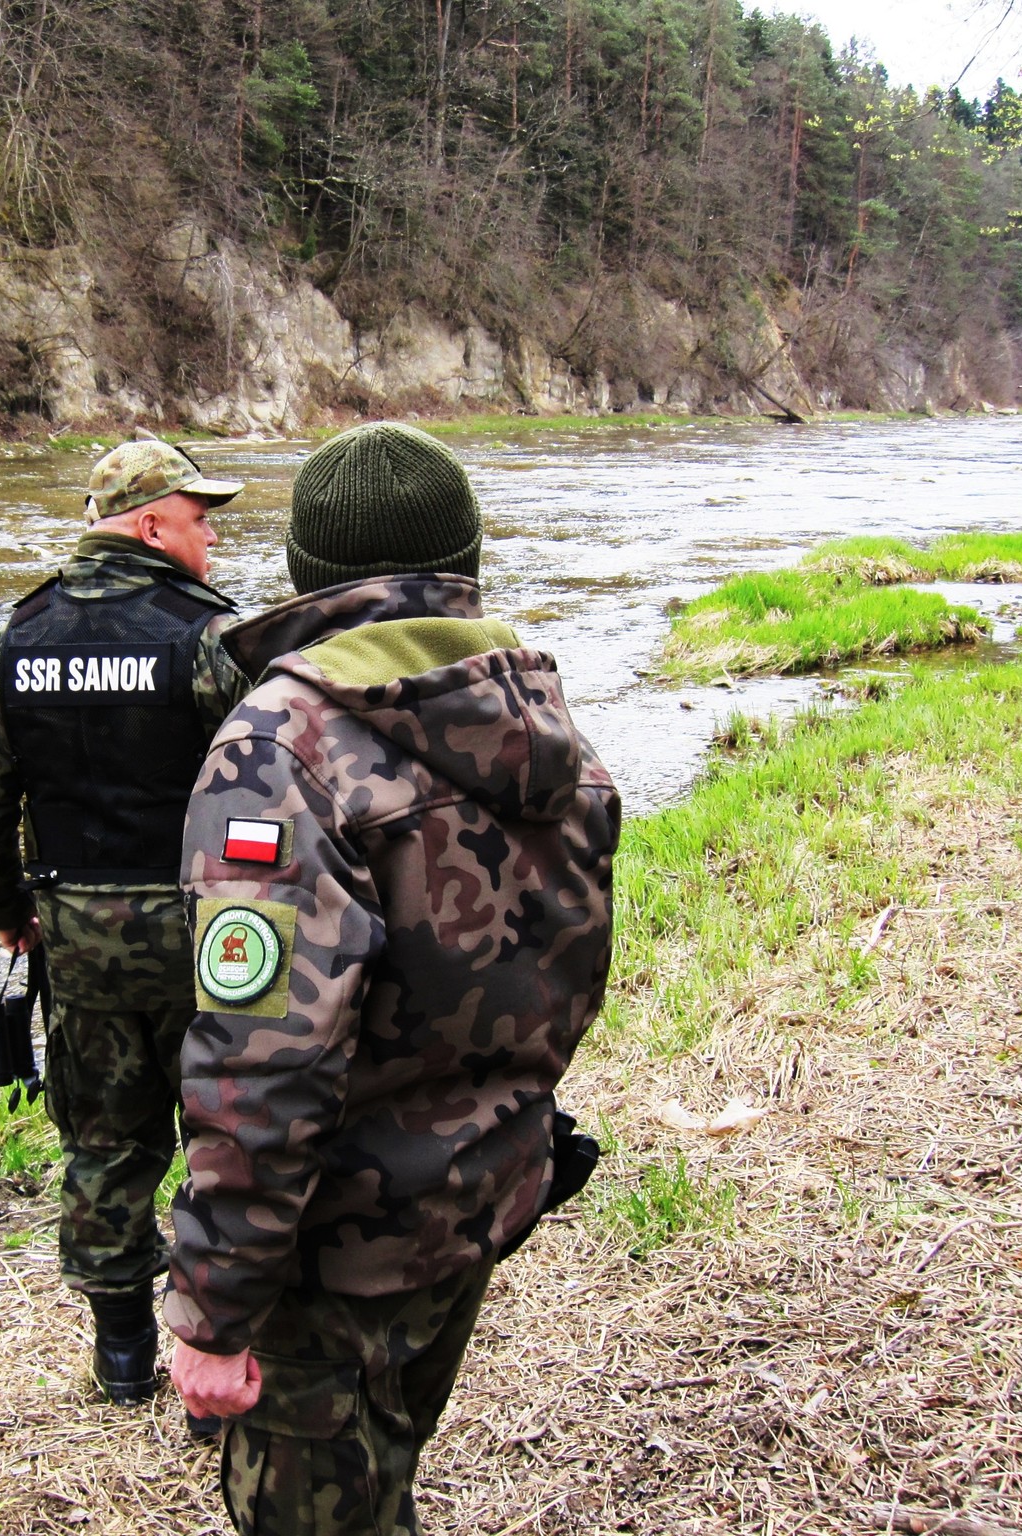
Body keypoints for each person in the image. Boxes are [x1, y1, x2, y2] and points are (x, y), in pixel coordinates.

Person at [163, 422, 622, 1533]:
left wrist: (215, 1305)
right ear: (465, 554)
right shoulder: (536, 708)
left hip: (332, 1251)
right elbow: (568, 961)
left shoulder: (279, 745)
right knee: (386, 1468)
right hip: (478, 1193)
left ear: (305, 571)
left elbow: (262, 1060)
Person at [0, 438, 252, 1411]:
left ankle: (121, 1354)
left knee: (106, 1142)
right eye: (199, 520)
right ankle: (220, 1344)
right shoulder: (207, 636)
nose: (210, 538)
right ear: (151, 525)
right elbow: (274, 785)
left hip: (79, 939)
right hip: (210, 936)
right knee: (229, 1135)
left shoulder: (20, 637)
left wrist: (6, 913)